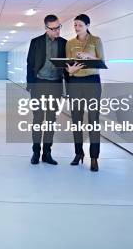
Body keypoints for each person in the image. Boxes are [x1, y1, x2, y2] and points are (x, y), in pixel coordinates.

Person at [26, 14, 68, 165]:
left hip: (55, 85)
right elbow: (30, 64)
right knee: (38, 119)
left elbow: (68, 67)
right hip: (39, 84)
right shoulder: (36, 42)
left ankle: (47, 153)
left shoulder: (64, 43)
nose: (57, 31)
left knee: (51, 119)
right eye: (54, 28)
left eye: (59, 27)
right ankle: (36, 152)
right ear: (46, 28)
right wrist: (30, 85)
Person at [65, 14, 104, 172]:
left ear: (87, 25)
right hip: (75, 82)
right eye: (75, 25)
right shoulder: (70, 43)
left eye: (80, 25)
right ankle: (78, 153)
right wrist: (70, 70)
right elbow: (67, 64)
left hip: (92, 82)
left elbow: (101, 61)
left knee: (93, 120)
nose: (76, 28)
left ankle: (94, 158)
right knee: (76, 119)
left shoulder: (96, 41)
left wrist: (89, 56)